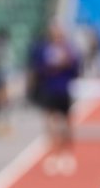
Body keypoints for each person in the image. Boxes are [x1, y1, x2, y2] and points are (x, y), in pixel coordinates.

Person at [29, 25, 80, 175]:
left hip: (63, 90)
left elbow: (76, 69)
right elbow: (37, 68)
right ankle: (52, 153)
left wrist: (66, 63)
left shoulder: (69, 49)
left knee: (67, 122)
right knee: (50, 122)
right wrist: (50, 67)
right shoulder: (44, 49)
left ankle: (66, 152)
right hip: (49, 89)